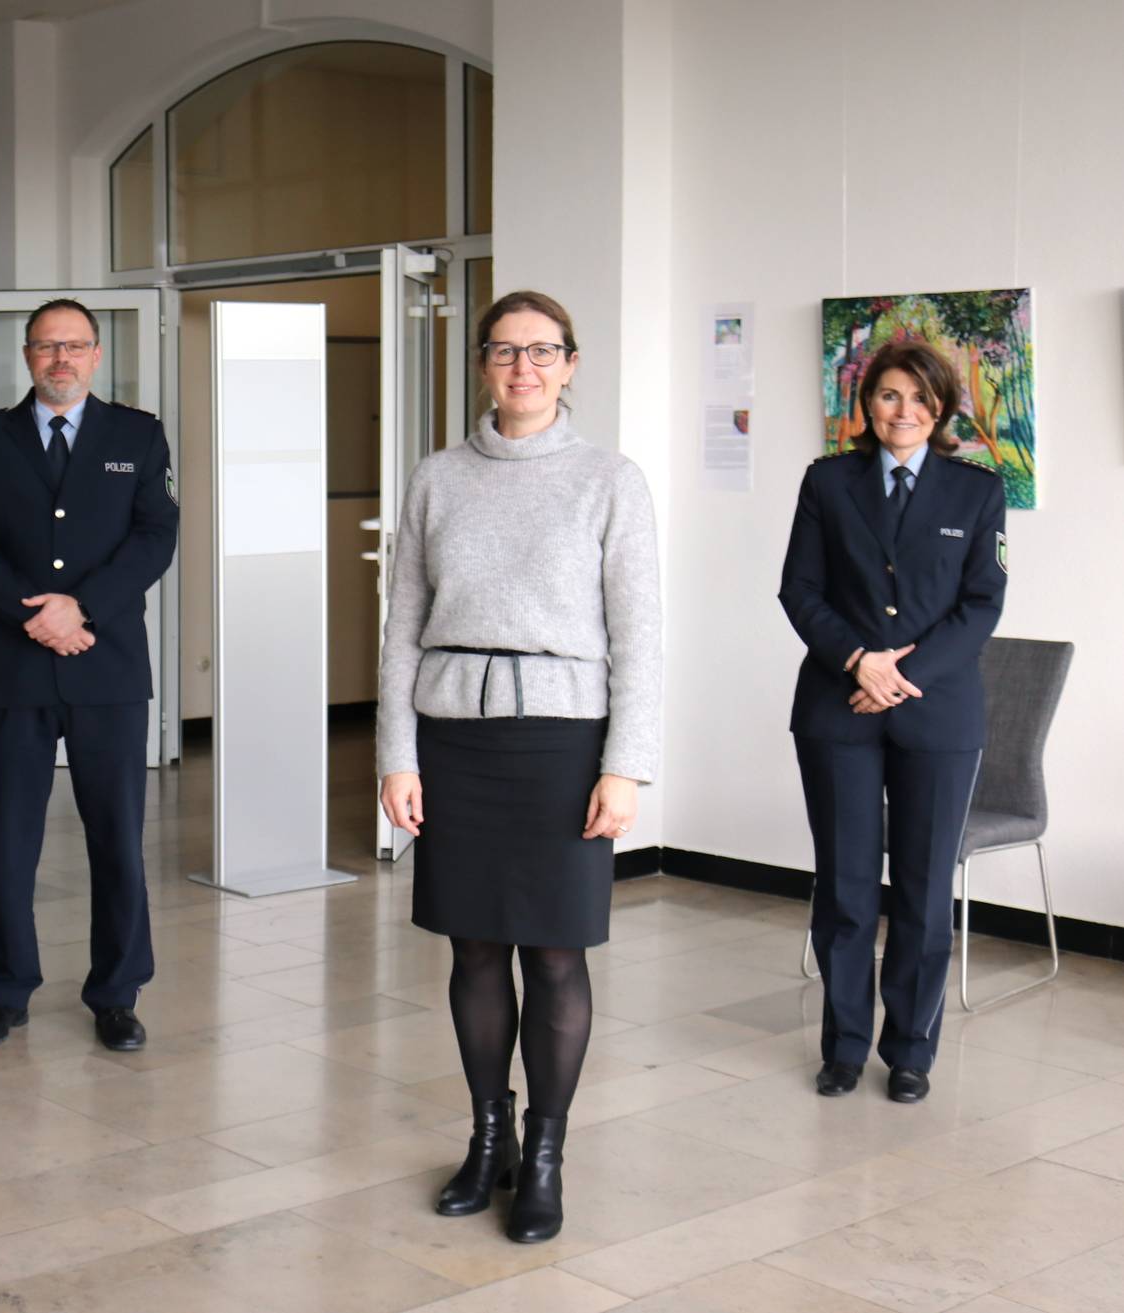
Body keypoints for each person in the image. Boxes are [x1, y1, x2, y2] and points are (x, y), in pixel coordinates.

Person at [376, 290, 659, 1244]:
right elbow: (401, 627)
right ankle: (487, 1136)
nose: (523, 368)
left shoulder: (610, 479)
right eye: (505, 350)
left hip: (563, 745)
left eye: (543, 352)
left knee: (554, 950)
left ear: (571, 364)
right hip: (455, 739)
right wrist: (397, 754)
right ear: (484, 364)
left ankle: (545, 1153)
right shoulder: (437, 478)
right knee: (474, 947)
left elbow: (641, 640)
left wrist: (626, 766)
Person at [0, 298, 179, 1053]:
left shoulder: (137, 435)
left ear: (97, 354)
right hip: (15, 667)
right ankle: (4, 991)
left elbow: (154, 539)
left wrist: (83, 608)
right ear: (26, 355)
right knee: (9, 840)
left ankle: (117, 994)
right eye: (47, 346)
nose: (61, 360)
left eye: (74, 346)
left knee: (117, 837)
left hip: (106, 665)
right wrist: (34, 615)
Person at [780, 340, 1006, 1105]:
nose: (902, 410)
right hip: (836, 709)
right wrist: (859, 661)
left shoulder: (977, 492)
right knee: (845, 886)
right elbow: (799, 589)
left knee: (921, 888)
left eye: (918, 397)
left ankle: (910, 1049)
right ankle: (843, 1045)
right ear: (865, 403)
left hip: (937, 715)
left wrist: (900, 673)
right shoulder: (826, 481)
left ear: (940, 408)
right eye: (887, 395)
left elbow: (983, 605)